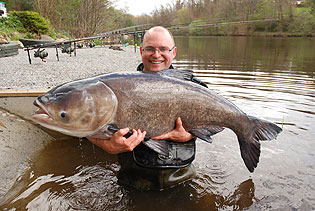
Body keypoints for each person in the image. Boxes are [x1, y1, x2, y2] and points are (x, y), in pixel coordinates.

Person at [87, 26, 207, 190]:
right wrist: (107, 146)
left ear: (174, 52)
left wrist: (189, 135)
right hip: (133, 182)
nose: (156, 55)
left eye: (163, 49)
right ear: (141, 50)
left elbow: (221, 121)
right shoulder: (118, 87)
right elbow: (84, 125)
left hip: (182, 180)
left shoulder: (196, 87)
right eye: (150, 49)